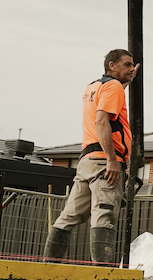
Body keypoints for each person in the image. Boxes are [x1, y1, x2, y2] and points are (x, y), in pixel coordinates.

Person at [44, 49, 140, 266]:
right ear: (112, 65)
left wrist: (126, 82)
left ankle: (49, 265)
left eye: (133, 66)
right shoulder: (113, 86)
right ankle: (101, 271)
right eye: (127, 65)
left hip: (86, 161)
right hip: (103, 162)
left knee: (69, 216)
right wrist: (112, 160)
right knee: (104, 214)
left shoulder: (93, 87)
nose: (131, 69)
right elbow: (102, 121)